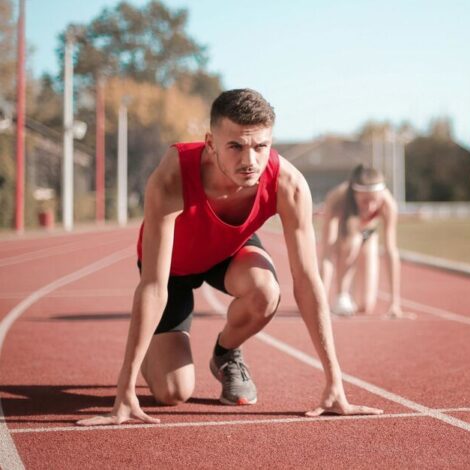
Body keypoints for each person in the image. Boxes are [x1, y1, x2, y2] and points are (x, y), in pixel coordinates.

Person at [77, 89, 381, 426]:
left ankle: (226, 353)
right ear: (211, 143)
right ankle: (151, 347)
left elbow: (308, 282)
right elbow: (153, 285)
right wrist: (125, 389)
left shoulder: (288, 185)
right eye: (235, 146)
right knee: (172, 393)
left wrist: (334, 382)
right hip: (173, 268)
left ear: (270, 142)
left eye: (260, 146)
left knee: (266, 291)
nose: (249, 161)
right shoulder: (172, 176)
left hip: (228, 253)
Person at [319, 165, 413, 318]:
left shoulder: (388, 204)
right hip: (345, 236)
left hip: (369, 234)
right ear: (354, 195)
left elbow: (391, 251)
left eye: (374, 201)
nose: (370, 207)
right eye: (364, 201)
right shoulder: (337, 199)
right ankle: (342, 295)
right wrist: (320, 300)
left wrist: (394, 303)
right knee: (353, 243)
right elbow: (327, 254)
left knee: (365, 306)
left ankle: (354, 295)